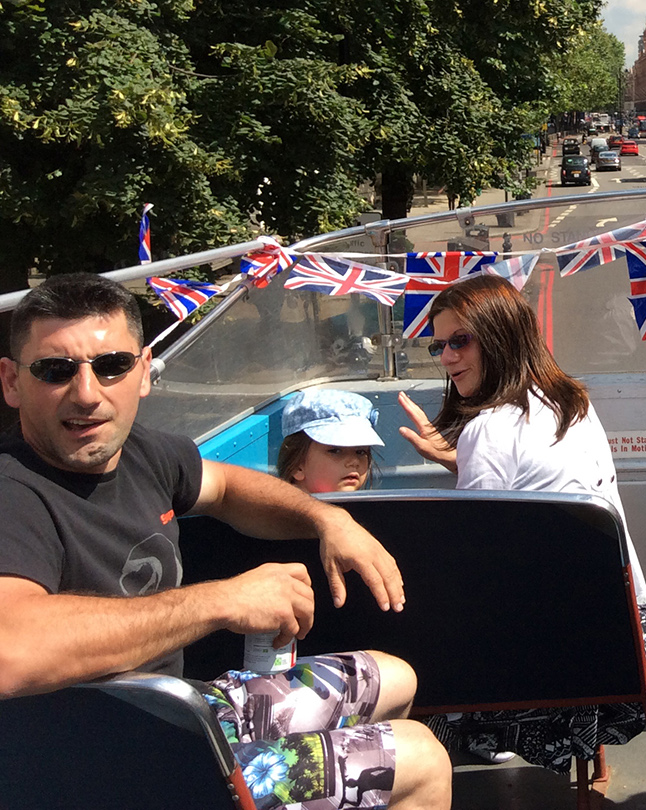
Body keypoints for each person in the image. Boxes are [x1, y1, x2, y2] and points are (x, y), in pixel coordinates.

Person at [0, 273, 450, 809]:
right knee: (421, 757)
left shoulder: (144, 454)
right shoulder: (14, 494)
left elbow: (229, 486)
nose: (87, 394)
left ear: (143, 372)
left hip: (182, 719)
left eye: (111, 366)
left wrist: (328, 521)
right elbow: (13, 650)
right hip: (113, 770)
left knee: (394, 675)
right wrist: (222, 600)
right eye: (55, 370)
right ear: (10, 382)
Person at [396, 275, 646, 772]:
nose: (446, 357)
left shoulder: (487, 432)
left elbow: (478, 570)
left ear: (499, 335)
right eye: (438, 345)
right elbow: (533, 502)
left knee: (402, 647)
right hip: (629, 646)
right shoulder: (570, 402)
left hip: (553, 668)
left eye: (459, 341)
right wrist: (459, 460)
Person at [279, 389, 385, 493]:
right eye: (336, 451)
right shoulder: (278, 510)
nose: (354, 462)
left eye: (361, 452)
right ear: (297, 467)